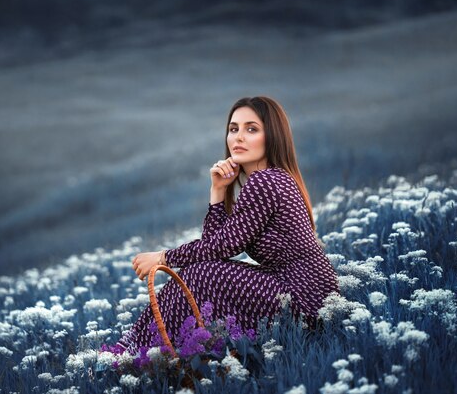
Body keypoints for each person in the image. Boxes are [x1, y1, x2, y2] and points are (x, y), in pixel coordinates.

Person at [112, 96, 340, 356]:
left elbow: (220, 247)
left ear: (272, 136)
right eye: (234, 129)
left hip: (302, 297)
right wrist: (218, 191)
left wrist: (163, 257)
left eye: (251, 129)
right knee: (199, 272)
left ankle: (136, 353)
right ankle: (147, 351)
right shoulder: (273, 179)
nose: (238, 137)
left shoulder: (265, 182)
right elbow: (214, 245)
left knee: (199, 275)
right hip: (306, 293)